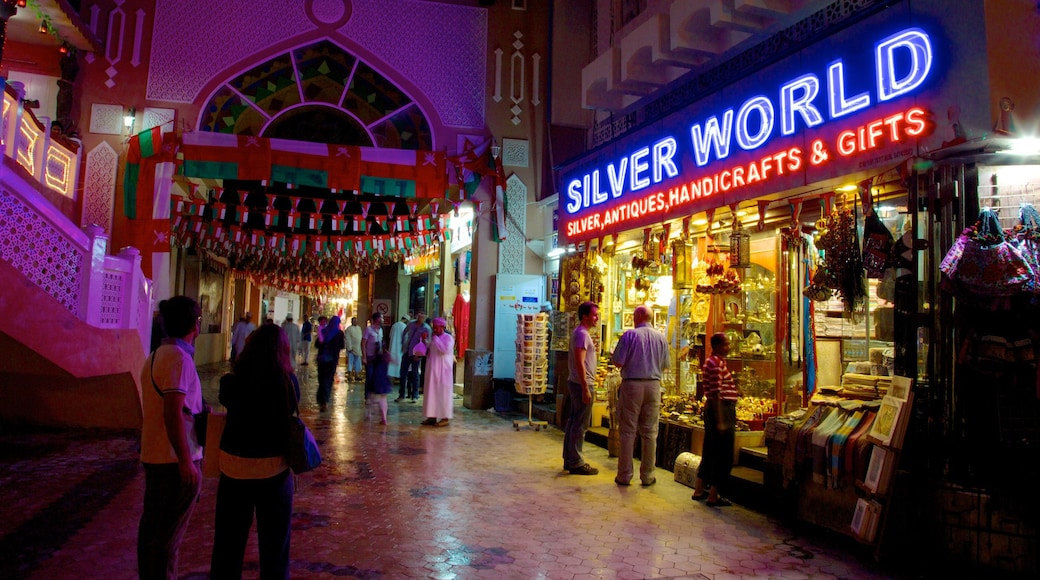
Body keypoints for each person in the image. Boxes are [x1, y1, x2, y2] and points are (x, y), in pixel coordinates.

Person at [211, 324, 299, 579]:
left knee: (228, 545)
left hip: (234, 469)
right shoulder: (287, 383)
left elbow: (227, 400)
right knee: (275, 549)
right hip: (274, 470)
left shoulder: (231, 382)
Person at [138, 296, 205, 579]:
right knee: (168, 537)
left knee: (152, 528)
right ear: (195, 325)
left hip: (154, 454)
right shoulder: (179, 360)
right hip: (174, 459)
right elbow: (172, 413)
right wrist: (185, 460)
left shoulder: (154, 356)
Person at [611, 305, 670, 487]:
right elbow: (665, 365)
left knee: (628, 431)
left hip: (632, 385)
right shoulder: (661, 338)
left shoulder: (630, 335)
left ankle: (625, 475)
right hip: (653, 386)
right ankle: (648, 475)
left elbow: (618, 361)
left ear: (637, 317)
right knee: (650, 431)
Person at [692, 332, 739, 507]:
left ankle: (699, 489)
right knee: (724, 454)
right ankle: (714, 494)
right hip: (722, 409)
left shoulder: (709, 362)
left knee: (710, 450)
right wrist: (721, 419)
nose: (728, 347)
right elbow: (717, 394)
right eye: (725, 344)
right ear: (717, 346)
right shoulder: (717, 364)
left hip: (714, 409)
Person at [563, 301, 600, 476]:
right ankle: (576, 461)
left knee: (574, 421)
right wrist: (585, 386)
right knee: (580, 424)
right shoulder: (582, 335)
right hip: (581, 384)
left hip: (578, 382)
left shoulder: (580, 333)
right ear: (584, 316)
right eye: (594, 314)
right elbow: (580, 361)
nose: (597, 318)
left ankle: (570, 458)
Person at [420, 317, 455, 426]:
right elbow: (428, 349)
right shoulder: (433, 338)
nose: (435, 330)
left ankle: (445, 418)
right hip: (432, 370)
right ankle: (431, 416)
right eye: (433, 328)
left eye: (437, 328)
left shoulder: (449, 338)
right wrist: (424, 341)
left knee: (443, 393)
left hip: (444, 371)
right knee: (431, 393)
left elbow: (444, 350)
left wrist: (434, 339)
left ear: (443, 327)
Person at [398, 311, 430, 402]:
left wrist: (421, 354)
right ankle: (402, 394)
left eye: (423, 317)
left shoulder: (426, 328)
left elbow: (428, 343)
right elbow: (404, 333)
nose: (421, 319)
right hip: (407, 351)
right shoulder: (411, 324)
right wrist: (404, 346)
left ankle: (415, 395)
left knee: (415, 374)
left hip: (417, 354)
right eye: (420, 316)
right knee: (403, 373)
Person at [315, 316, 345, 412]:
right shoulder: (339, 334)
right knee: (328, 379)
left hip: (322, 359)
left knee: (322, 379)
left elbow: (317, 344)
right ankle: (324, 400)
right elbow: (342, 346)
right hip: (332, 361)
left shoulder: (324, 331)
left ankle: (322, 399)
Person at [361, 313, 384, 406]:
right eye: (381, 318)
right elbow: (363, 343)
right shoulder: (368, 330)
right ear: (377, 319)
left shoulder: (381, 330)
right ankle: (367, 396)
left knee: (376, 377)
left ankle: (374, 395)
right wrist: (364, 356)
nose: (382, 319)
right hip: (370, 356)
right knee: (369, 376)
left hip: (378, 357)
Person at [387, 315, 408, 381]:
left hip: (392, 346)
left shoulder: (394, 325)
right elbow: (406, 338)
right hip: (400, 347)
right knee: (399, 362)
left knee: (392, 362)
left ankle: (392, 376)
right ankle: (398, 377)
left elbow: (390, 335)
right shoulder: (404, 326)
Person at [345, 317, 364, 382]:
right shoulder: (349, 329)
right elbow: (347, 339)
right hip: (351, 348)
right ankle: (350, 375)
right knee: (350, 362)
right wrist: (349, 347)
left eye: (356, 321)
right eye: (354, 321)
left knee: (358, 362)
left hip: (358, 348)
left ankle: (357, 375)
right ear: (352, 321)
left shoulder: (359, 328)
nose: (355, 322)